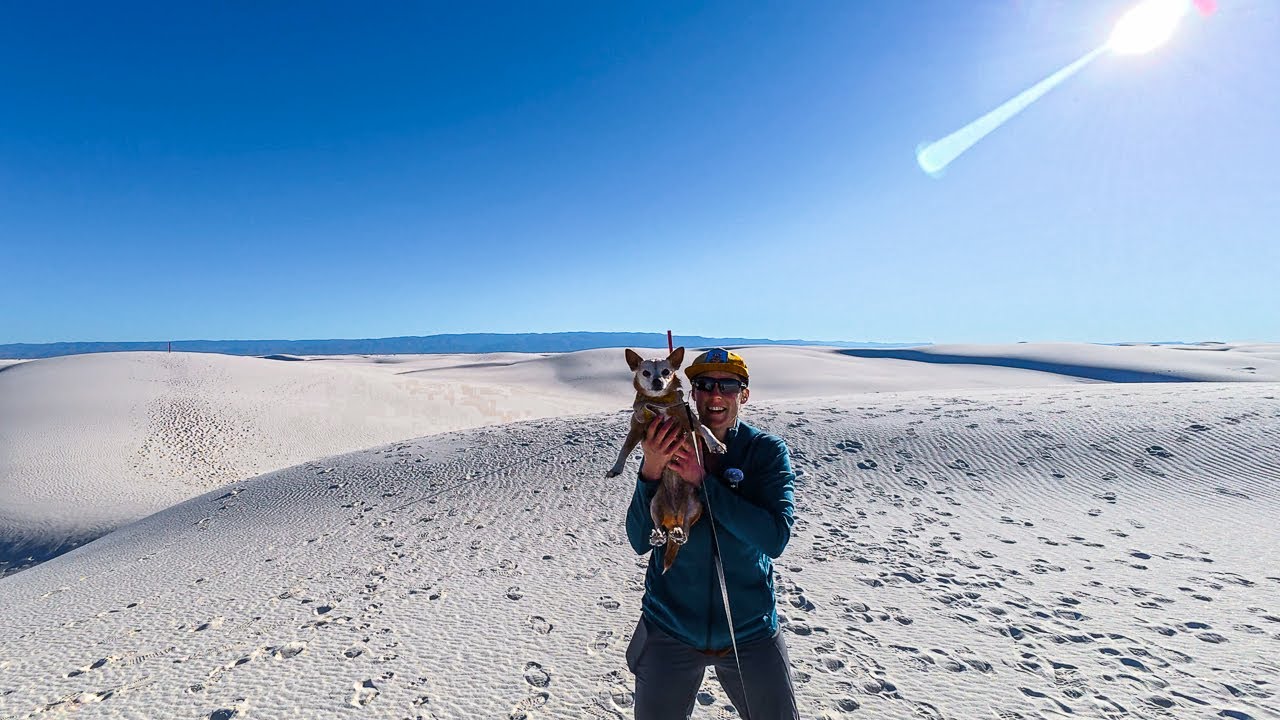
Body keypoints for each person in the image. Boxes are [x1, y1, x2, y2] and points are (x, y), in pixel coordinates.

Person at [624, 347, 800, 719]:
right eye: (704, 384)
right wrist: (650, 471)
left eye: (729, 386)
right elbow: (640, 540)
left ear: (745, 394)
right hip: (670, 626)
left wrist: (704, 483)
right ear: (690, 392)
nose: (715, 395)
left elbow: (774, 538)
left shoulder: (764, 452)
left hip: (750, 630)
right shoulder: (663, 442)